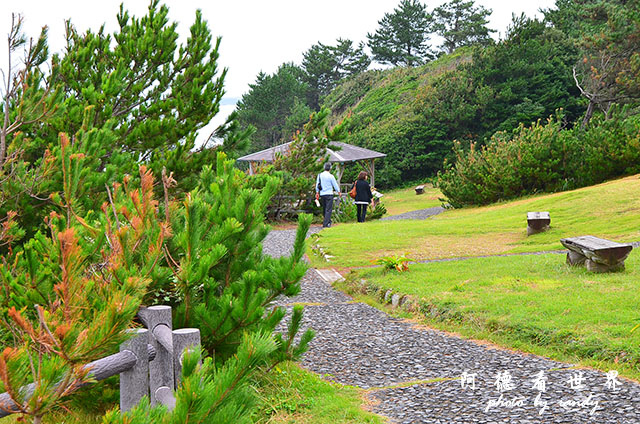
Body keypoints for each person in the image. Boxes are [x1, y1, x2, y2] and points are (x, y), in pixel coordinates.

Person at [315, 162, 340, 228]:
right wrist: (339, 191)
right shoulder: (331, 176)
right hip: (329, 194)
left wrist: (317, 192)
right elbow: (335, 185)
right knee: (328, 209)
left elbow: (317, 184)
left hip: (322, 194)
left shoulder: (320, 175)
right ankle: (326, 224)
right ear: (330, 168)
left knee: (324, 208)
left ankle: (328, 221)